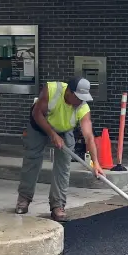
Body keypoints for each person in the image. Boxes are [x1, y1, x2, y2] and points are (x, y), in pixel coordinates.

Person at [15, 77, 103, 222]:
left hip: (64, 130)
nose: (81, 101)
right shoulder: (52, 90)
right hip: (39, 125)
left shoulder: (83, 107)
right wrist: (52, 134)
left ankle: (58, 205)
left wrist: (96, 163)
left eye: (83, 98)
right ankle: (24, 199)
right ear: (69, 91)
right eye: (78, 97)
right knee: (32, 160)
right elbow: (36, 113)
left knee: (63, 166)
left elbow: (89, 137)